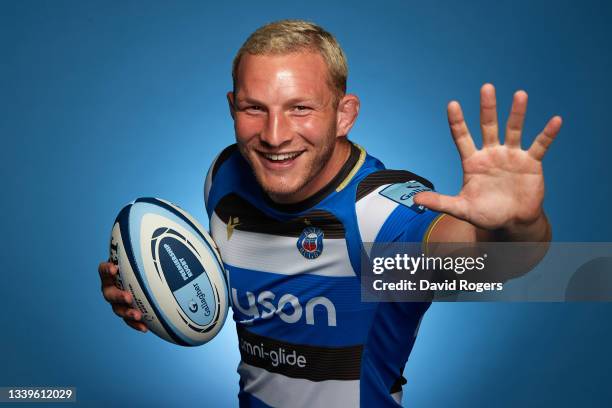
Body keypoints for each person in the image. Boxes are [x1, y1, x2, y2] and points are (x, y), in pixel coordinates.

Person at [98, 20, 562, 407]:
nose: (274, 135)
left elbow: (491, 262)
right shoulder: (223, 179)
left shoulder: (381, 213)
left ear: (344, 114)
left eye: (300, 108)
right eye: (253, 109)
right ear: (232, 107)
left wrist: (515, 228)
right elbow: (201, 279)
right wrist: (143, 291)